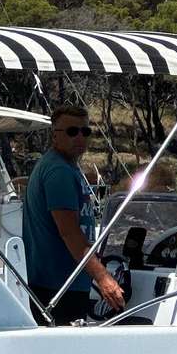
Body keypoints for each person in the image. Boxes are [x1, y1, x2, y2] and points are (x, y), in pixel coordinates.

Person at [22, 104, 126, 324]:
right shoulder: (58, 171)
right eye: (71, 131)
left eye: (85, 131)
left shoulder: (67, 168)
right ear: (55, 135)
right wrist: (102, 277)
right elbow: (70, 232)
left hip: (65, 283)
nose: (79, 137)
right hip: (59, 286)